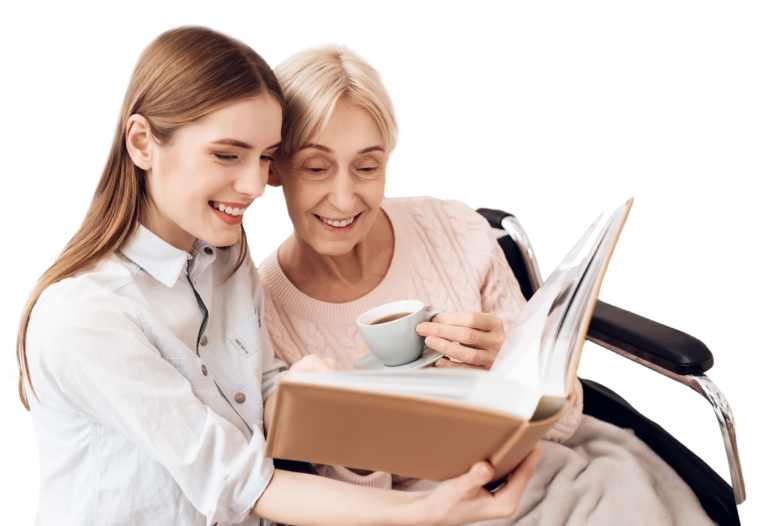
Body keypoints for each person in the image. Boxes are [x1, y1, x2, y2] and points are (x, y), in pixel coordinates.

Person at [6, 24, 541, 526]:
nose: (254, 185)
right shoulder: (85, 316)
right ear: (143, 143)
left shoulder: (224, 255)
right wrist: (426, 512)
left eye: (264, 157)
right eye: (226, 154)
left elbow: (252, 386)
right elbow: (236, 479)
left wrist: (299, 385)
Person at [260, 41, 584, 496]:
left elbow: (567, 424)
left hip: (544, 475)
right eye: (316, 168)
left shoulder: (455, 228)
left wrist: (513, 370)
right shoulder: (263, 312)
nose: (344, 197)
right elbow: (356, 504)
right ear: (274, 168)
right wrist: (345, 431)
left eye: (367, 167)